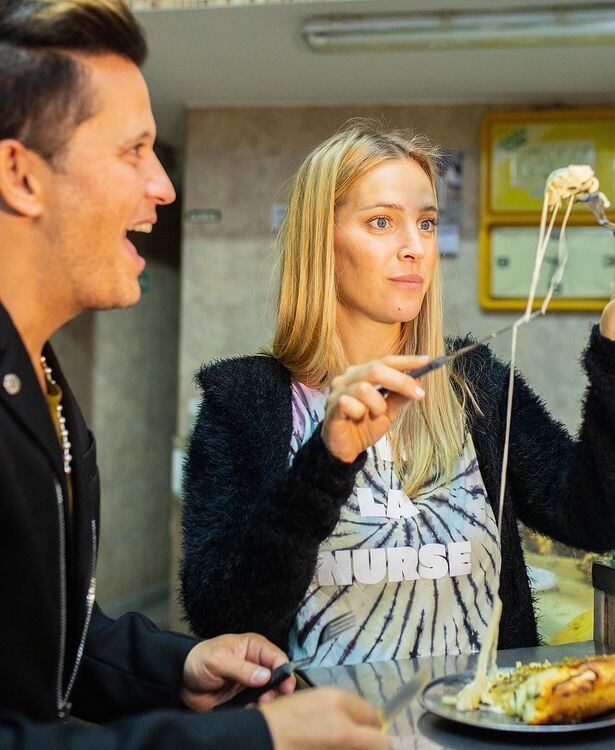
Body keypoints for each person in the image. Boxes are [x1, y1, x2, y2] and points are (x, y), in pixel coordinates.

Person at [0, 2, 390, 748]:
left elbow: (42, 639)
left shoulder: (40, 376)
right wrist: (258, 741)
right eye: (135, 151)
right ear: (22, 176)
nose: (163, 188)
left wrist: (175, 667)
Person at [181, 123, 615, 666]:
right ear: (320, 242)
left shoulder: (475, 384)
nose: (415, 248)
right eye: (381, 222)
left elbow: (595, 517)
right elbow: (225, 618)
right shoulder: (244, 405)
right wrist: (327, 462)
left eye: (426, 224)